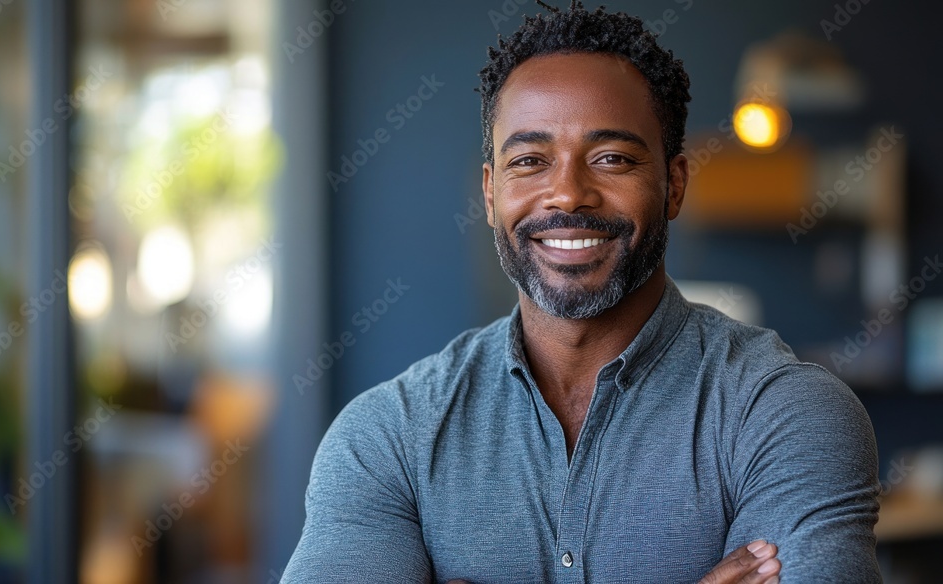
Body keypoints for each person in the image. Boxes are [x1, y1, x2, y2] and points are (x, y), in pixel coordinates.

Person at [283, 2, 881, 582]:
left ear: (674, 185)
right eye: (530, 161)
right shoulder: (387, 438)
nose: (567, 194)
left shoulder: (786, 414)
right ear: (491, 194)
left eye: (612, 157)